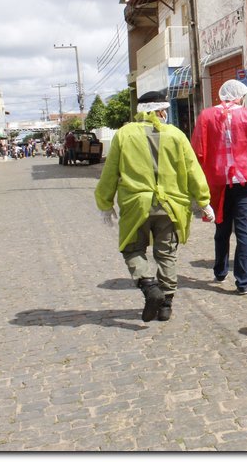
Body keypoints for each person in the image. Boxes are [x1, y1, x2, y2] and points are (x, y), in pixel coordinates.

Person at [95, 90, 213, 322]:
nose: (165, 114)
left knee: (132, 250)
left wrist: (105, 203)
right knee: (167, 254)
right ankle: (166, 305)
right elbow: (193, 171)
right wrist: (204, 201)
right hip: (171, 206)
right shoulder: (176, 135)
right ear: (159, 110)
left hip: (136, 206)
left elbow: (110, 173)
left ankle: (150, 287)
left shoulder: (124, 134)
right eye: (165, 111)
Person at [192, 79, 247, 295]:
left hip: (217, 182)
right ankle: (242, 281)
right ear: (240, 96)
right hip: (244, 182)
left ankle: (220, 270)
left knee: (221, 228)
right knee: (244, 234)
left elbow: (197, 151)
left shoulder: (206, 116)